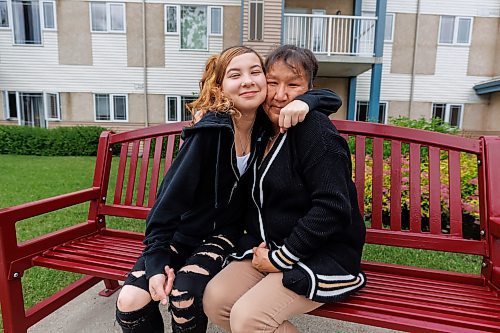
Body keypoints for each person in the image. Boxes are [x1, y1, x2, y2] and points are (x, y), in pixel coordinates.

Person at [115, 45, 341, 333]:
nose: (248, 80)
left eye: (255, 72)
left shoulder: (266, 125)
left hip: (224, 234)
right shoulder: (212, 132)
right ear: (220, 87)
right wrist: (157, 262)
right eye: (235, 75)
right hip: (181, 232)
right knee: (130, 298)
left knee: (184, 293)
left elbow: (329, 96)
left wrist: (308, 102)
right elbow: (167, 203)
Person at [203, 45, 366, 333]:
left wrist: (282, 259)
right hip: (269, 246)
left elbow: (332, 207)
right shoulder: (262, 127)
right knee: (216, 300)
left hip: (319, 253)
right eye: (273, 82)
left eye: (293, 85)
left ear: (308, 89)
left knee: (248, 318)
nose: (280, 95)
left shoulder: (315, 130)